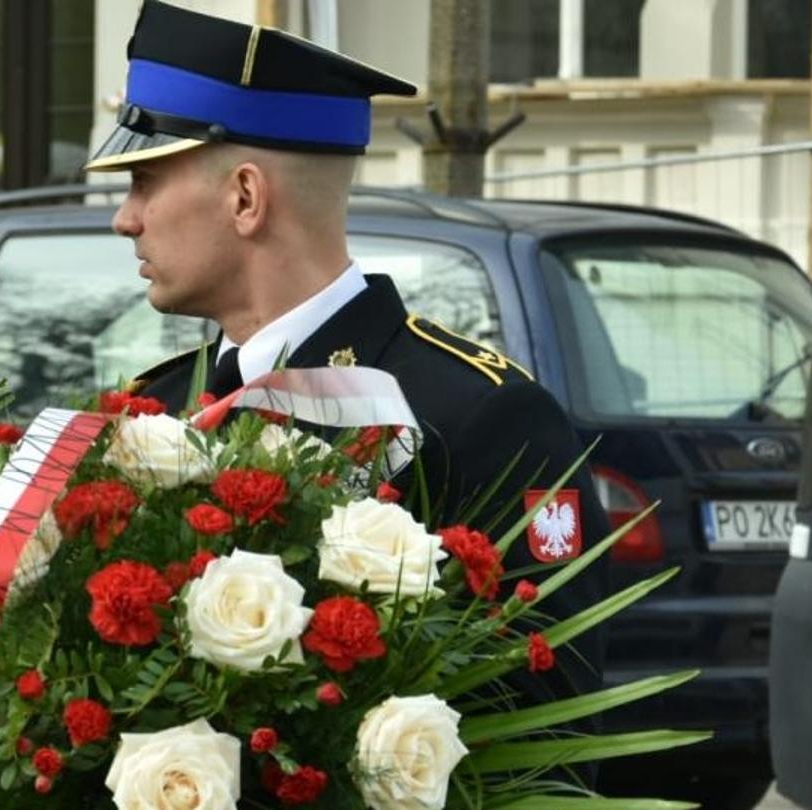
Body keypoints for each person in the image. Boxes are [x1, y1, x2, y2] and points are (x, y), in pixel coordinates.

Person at [101, 0, 608, 728]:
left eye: (145, 181)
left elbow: (550, 730)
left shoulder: (477, 416)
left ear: (246, 197)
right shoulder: (157, 405)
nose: (125, 217)